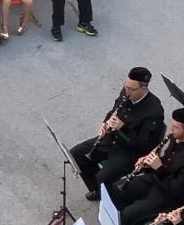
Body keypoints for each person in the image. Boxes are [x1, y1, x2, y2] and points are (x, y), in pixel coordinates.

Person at [71, 67, 165, 197]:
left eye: (131, 89)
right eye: (125, 86)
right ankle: (99, 190)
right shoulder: (126, 92)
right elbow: (114, 110)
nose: (127, 91)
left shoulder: (154, 111)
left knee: (102, 177)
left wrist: (123, 128)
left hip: (129, 152)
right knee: (77, 154)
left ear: (143, 89)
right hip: (111, 139)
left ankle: (106, 193)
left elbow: (145, 145)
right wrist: (105, 122)